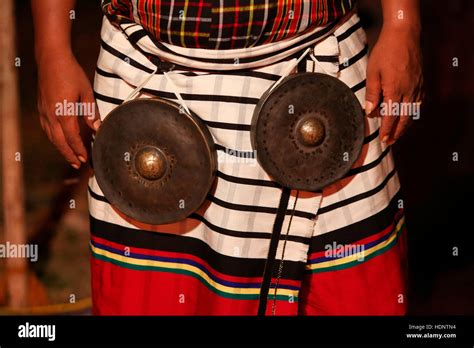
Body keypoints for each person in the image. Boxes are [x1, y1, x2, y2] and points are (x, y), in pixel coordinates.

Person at [32, 0, 423, 315]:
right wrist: (51, 50)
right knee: (152, 299)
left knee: (351, 294)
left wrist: (403, 22)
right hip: (146, 79)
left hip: (318, 77)